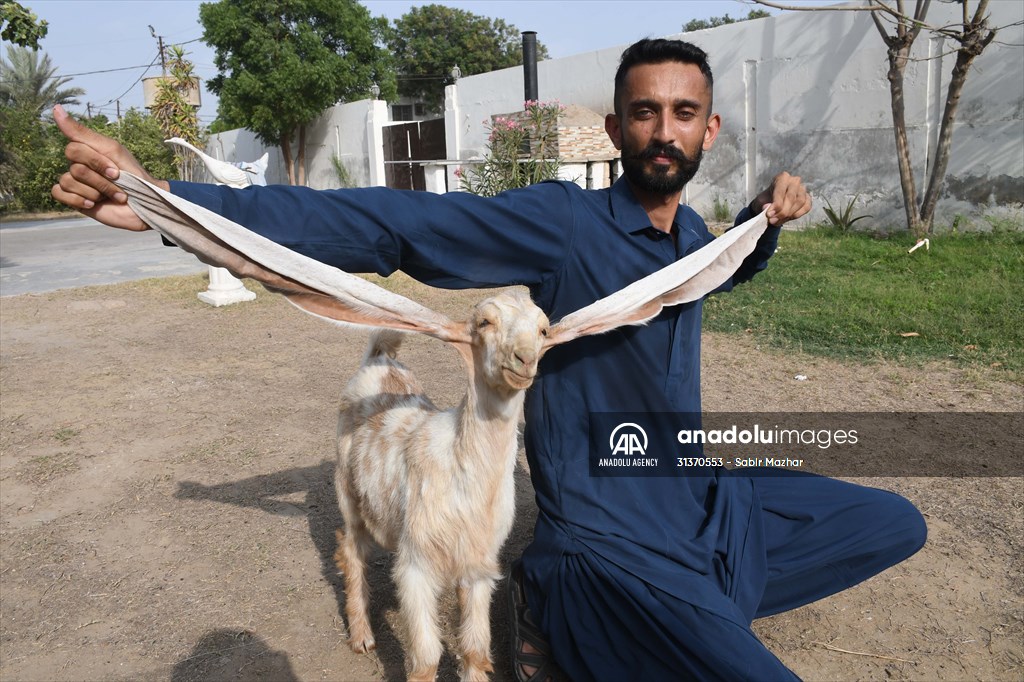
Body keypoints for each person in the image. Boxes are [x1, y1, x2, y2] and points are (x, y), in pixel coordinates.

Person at [52, 39, 925, 682]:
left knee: (891, 522)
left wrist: (762, 224)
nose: (665, 131)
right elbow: (395, 226)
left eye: (683, 114)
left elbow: (708, 278)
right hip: (610, 538)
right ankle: (582, 605)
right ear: (618, 126)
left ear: (709, 127)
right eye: (647, 113)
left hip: (698, 497)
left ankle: (682, 617)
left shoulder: (692, 236)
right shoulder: (564, 225)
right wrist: (175, 207)